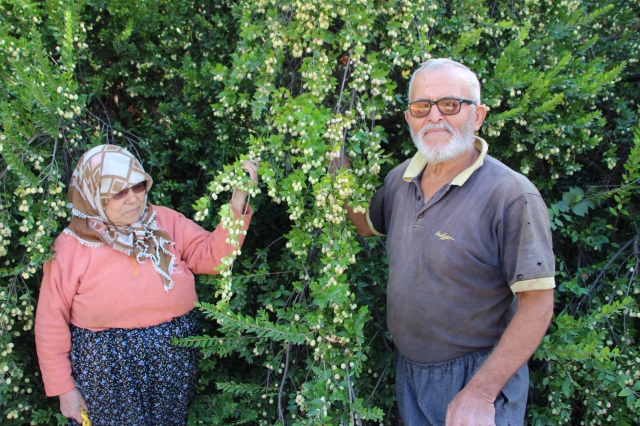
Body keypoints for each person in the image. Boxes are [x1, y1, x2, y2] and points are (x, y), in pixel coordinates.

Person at [345, 58, 555, 425]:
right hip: (409, 372)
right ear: (410, 117)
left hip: (478, 376)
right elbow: (365, 225)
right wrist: (335, 159)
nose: (434, 117)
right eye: (422, 106)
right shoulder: (400, 180)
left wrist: (480, 392)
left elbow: (537, 304)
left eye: (450, 105)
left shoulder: (511, 195)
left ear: (478, 116)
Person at [34, 144, 258, 425]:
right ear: (94, 196)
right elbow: (50, 322)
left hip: (172, 355)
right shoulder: (70, 246)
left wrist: (238, 202)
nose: (133, 199)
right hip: (108, 366)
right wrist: (63, 388)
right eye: (118, 192)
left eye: (138, 187)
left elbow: (213, 258)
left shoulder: (163, 220)